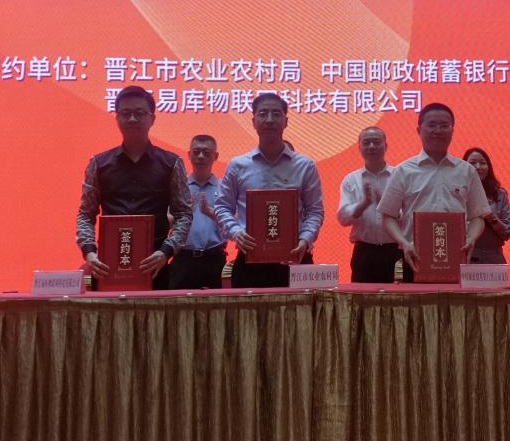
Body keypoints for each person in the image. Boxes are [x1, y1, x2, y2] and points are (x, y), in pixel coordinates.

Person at [76, 86, 192, 289]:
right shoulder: (99, 164)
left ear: (152, 119)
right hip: (108, 267)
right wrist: (89, 252)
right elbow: (85, 214)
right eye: (125, 113)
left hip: (155, 266)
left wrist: (166, 251)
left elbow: (183, 214)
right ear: (117, 118)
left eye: (139, 113)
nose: (132, 119)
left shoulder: (171, 163)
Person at [215, 93, 324, 288]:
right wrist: (236, 232)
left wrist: (305, 239)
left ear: (286, 121)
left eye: (276, 114)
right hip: (250, 260)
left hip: (296, 257)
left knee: (300, 310)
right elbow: (222, 207)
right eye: (263, 114)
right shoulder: (237, 165)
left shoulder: (304, 165)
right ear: (253, 122)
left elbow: (315, 211)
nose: (269, 119)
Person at [377, 103, 489, 280]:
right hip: (414, 257)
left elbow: (478, 216)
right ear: (419, 130)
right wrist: (404, 243)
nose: (438, 131)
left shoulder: (466, 171)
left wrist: (471, 238)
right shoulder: (403, 171)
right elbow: (388, 216)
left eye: (444, 125)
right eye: (431, 125)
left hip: (456, 256)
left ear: (452, 131)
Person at [337, 127, 399, 282]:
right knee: (361, 296)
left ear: (386, 146)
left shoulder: (399, 176)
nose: (371, 146)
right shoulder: (351, 180)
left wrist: (385, 203)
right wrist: (364, 204)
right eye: (366, 143)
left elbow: (409, 216)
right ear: (359, 148)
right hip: (364, 252)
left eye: (376, 142)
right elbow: (343, 218)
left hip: (396, 251)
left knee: (398, 296)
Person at [170, 134, 228, 289]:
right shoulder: (178, 187)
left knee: (215, 304)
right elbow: (166, 220)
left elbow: (235, 224)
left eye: (206, 153)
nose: (201, 156)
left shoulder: (224, 188)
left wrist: (211, 213)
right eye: (196, 152)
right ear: (189, 155)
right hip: (182, 258)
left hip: (214, 259)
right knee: (178, 303)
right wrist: (181, 214)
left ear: (216, 156)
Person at [462, 147, 510, 264]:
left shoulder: (499, 194)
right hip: (467, 256)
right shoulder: (458, 193)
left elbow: (507, 233)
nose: (478, 167)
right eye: (472, 163)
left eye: (482, 163)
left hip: (494, 257)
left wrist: (490, 216)